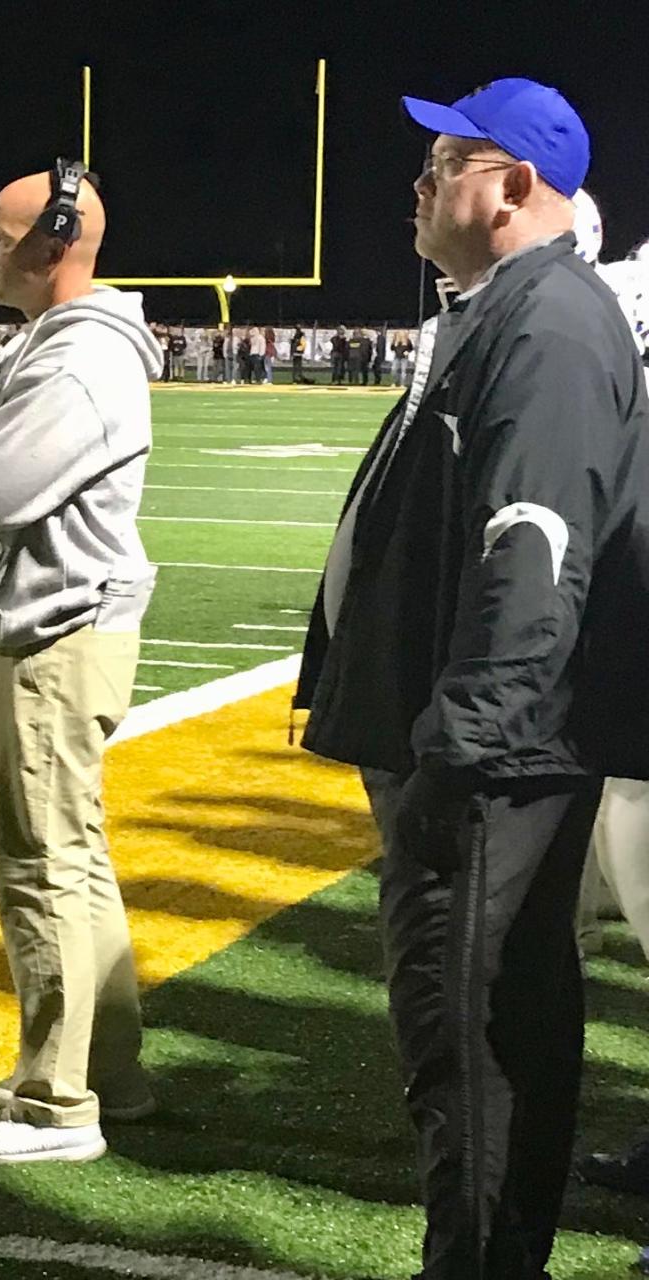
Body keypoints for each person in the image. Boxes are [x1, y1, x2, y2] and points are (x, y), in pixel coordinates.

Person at [293, 78, 649, 1280]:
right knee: (495, 1018)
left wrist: (463, 744)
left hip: (491, 760)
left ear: (510, 188)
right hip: (483, 746)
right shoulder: (506, 309)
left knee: (472, 1032)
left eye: (443, 159)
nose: (419, 181)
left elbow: (534, 548)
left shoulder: (544, 324)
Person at [0, 159, 162, 1167]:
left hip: (55, 633)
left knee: (44, 865)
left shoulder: (75, 361)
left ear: (56, 240)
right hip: (62, 627)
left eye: (0, 234)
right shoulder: (57, 343)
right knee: (75, 856)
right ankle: (108, 1068)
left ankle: (56, 1104)